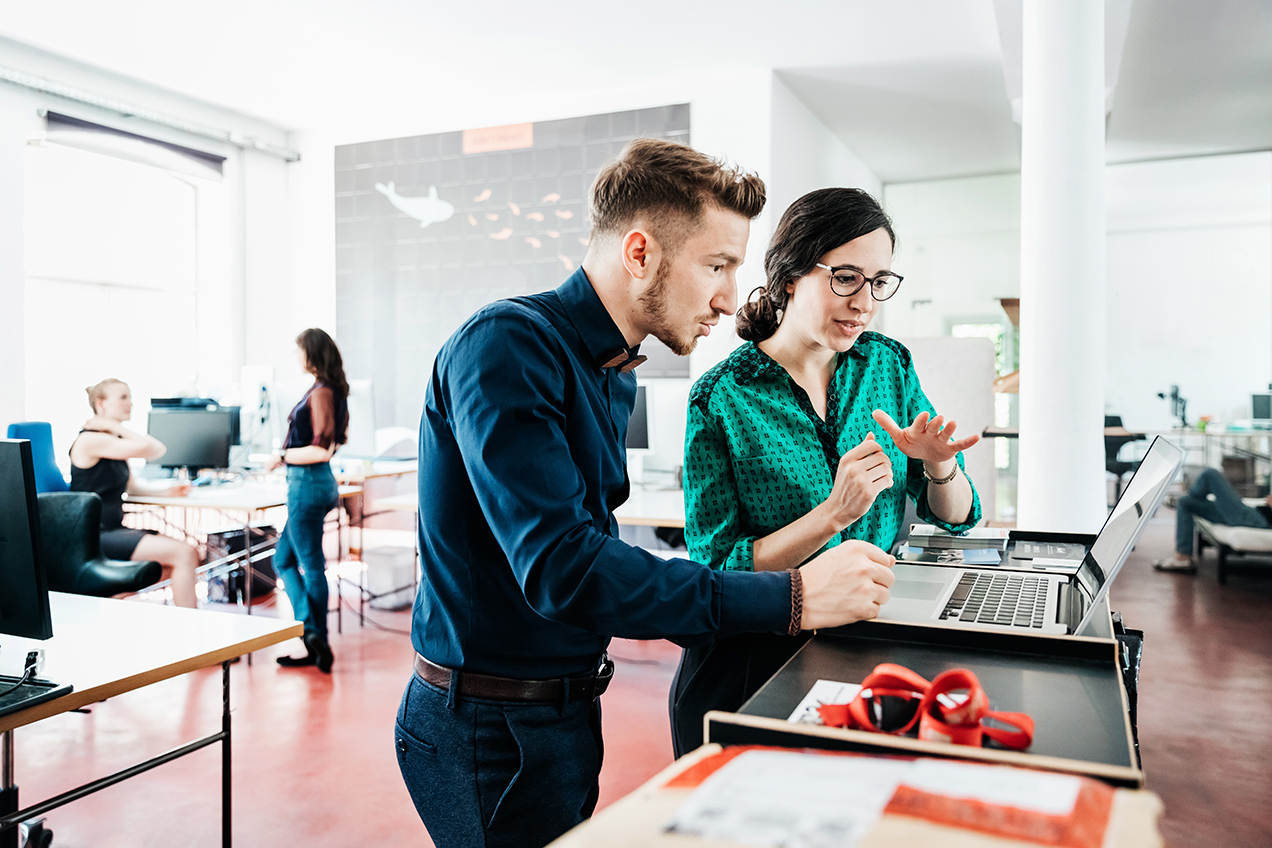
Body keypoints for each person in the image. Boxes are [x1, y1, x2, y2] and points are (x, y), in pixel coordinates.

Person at [395, 139, 898, 848]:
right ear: (640, 253)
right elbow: (564, 568)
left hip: (562, 714)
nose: (730, 298)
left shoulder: (613, 371)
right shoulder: (506, 346)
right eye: (717, 265)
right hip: (488, 728)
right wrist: (794, 598)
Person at [674, 187, 983, 755]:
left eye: (879, 281)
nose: (865, 302)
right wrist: (833, 514)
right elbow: (717, 568)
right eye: (845, 277)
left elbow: (957, 517)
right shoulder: (720, 398)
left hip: (868, 647)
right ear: (790, 275)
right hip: (755, 663)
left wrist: (940, 467)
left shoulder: (886, 364)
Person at [69, 379, 201, 608]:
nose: (130, 403)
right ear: (101, 405)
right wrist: (115, 427)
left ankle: (109, 601)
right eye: (122, 397)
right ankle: (190, 631)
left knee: (170, 566)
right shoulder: (91, 439)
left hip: (112, 529)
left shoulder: (111, 442)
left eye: (129, 396)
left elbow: (132, 488)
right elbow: (155, 449)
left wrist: (167, 492)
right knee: (185, 554)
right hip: (92, 534)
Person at [264, 328, 349, 673]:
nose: (296, 358)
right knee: (283, 559)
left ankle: (313, 634)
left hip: (308, 485)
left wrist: (281, 457)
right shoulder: (330, 391)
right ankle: (313, 638)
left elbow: (320, 449)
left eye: (299, 351)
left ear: (311, 354)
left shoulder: (322, 392)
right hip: (316, 485)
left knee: (311, 566)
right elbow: (336, 444)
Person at [1153, 467, 1272, 572]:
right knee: (1186, 503)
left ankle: (1189, 494)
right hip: (1254, 512)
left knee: (1211, 474)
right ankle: (1183, 557)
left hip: (1255, 519)